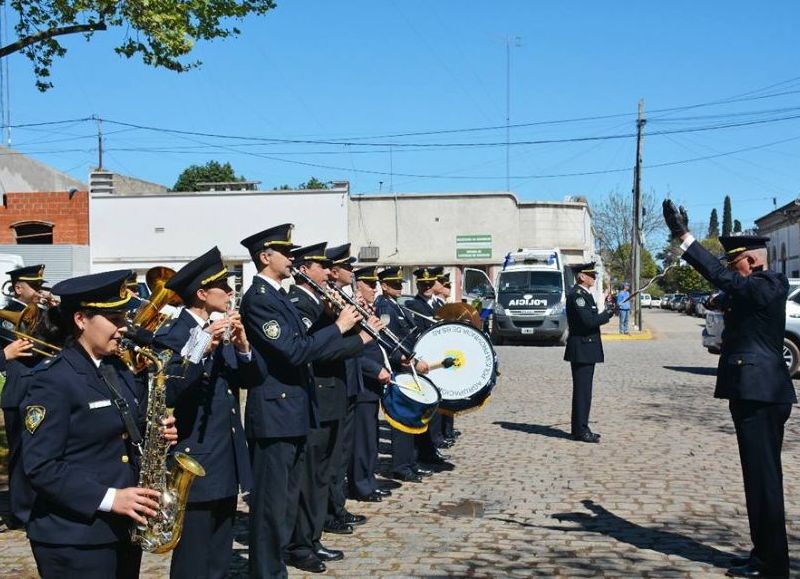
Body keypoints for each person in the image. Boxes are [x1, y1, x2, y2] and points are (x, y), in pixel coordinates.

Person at [663, 200, 795, 579]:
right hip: (752, 393)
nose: (730, 265)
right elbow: (724, 289)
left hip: (761, 394)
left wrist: (685, 239)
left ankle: (774, 564)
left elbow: (725, 281)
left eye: (734, 259)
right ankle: (763, 554)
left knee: (764, 480)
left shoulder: (770, 283)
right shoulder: (751, 289)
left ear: (751, 261)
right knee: (756, 479)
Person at [20, 269, 178, 578]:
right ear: (81, 320)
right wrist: (110, 498)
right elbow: (40, 466)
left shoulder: (116, 370)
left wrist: (158, 432)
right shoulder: (52, 380)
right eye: (115, 321)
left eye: (122, 319)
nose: (124, 329)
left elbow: (123, 431)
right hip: (74, 538)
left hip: (120, 529)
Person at [239, 224, 366, 578]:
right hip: (275, 412)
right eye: (285, 252)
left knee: (286, 502)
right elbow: (295, 352)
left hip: (293, 409)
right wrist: (339, 327)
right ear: (265, 257)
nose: (292, 258)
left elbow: (302, 345)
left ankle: (277, 565)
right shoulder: (259, 298)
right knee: (270, 504)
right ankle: (266, 571)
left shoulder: (278, 296)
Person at [152, 246, 261, 579]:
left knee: (219, 550)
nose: (230, 292)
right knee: (193, 554)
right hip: (194, 455)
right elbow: (169, 390)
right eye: (223, 287)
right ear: (202, 293)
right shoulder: (172, 334)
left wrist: (242, 347)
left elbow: (251, 380)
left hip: (225, 453)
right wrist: (199, 348)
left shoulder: (223, 331)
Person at [285, 242, 367, 566]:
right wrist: (353, 334)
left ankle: (312, 537)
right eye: (320, 266)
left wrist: (356, 321)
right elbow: (316, 351)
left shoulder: (320, 301)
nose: (327, 272)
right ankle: (301, 542)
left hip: (332, 394)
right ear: (304, 270)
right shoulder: (298, 303)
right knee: (309, 476)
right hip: (317, 394)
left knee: (322, 474)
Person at [323, 243, 370, 534]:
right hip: (335, 381)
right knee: (332, 457)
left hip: (351, 380)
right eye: (347, 268)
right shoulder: (327, 299)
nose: (351, 272)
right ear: (335, 270)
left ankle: (337, 507)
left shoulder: (344, 296)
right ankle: (330, 511)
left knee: (341, 454)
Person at [373, 267, 431, 483]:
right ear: (384, 286)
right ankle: (401, 466)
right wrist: (402, 359)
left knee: (412, 417)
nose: (399, 287)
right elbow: (386, 341)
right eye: (394, 284)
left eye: (400, 284)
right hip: (399, 368)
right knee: (401, 419)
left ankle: (410, 462)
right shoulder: (383, 307)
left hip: (409, 366)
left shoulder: (397, 306)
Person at [348, 266, 392, 502]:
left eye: (375, 284)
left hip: (373, 384)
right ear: (358, 286)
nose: (374, 289)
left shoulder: (368, 310)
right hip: (363, 382)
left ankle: (369, 480)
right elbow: (353, 350)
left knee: (371, 436)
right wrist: (376, 370)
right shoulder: (353, 312)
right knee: (362, 439)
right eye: (369, 285)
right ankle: (360, 485)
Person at [402, 267, 448, 465]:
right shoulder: (413, 305)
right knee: (427, 407)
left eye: (430, 284)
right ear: (418, 285)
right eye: (423, 284)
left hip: (439, 361)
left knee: (438, 405)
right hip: (424, 361)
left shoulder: (438, 303)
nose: (427, 287)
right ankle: (425, 449)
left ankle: (432, 446)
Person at [563, 262, 613, 443]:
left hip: (585, 349)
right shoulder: (578, 296)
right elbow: (587, 322)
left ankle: (580, 427)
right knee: (582, 392)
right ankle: (580, 430)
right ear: (582, 277)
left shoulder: (584, 294)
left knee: (585, 391)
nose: (594, 278)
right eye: (591, 275)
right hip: (582, 349)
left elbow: (590, 318)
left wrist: (606, 312)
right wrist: (606, 315)